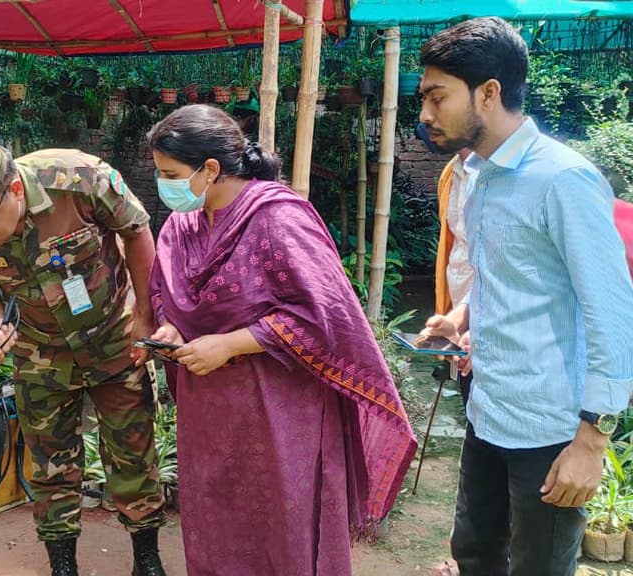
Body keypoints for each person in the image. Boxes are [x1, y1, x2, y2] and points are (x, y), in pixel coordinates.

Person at [144, 104, 417, 576]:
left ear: (211, 169)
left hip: (278, 409)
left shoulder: (276, 218)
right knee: (214, 522)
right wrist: (169, 328)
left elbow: (323, 315)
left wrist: (230, 344)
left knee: (282, 523)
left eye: (170, 174)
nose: (162, 185)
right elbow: (165, 294)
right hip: (208, 409)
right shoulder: (182, 226)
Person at [418, 17, 633, 576]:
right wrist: (462, 320)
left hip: (551, 431)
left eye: (437, 98)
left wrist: (591, 440)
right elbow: (508, 277)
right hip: (489, 413)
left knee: (537, 567)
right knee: (475, 556)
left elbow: (612, 310)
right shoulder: (480, 177)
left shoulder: (562, 179)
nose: (425, 114)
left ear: (489, 93)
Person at [0, 127, 166, 576]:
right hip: (38, 352)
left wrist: (146, 316)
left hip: (114, 337)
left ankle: (147, 559)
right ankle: (62, 564)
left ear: (14, 188)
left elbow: (136, 231)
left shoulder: (76, 178)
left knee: (133, 451)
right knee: (51, 466)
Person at [416, 121, 476, 404]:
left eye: (439, 101)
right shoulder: (451, 173)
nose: (426, 117)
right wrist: (453, 317)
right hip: (465, 315)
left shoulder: (503, 178)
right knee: (471, 403)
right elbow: (454, 250)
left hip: (502, 329)